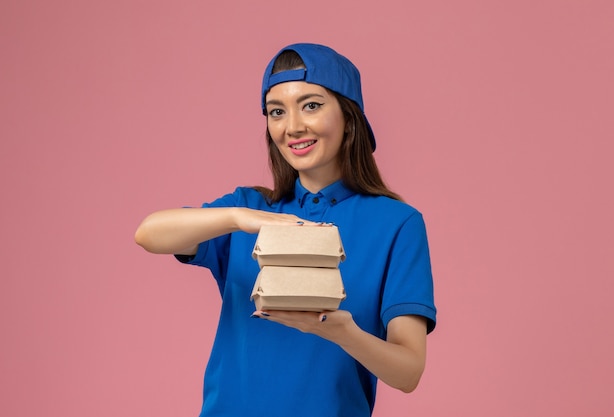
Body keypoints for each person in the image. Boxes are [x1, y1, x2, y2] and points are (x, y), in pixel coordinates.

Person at [135, 43, 436, 417]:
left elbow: (407, 372)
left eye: (311, 105)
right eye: (277, 112)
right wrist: (239, 217)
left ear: (349, 116)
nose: (292, 127)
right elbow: (149, 233)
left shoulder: (396, 225)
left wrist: (340, 331)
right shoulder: (249, 209)